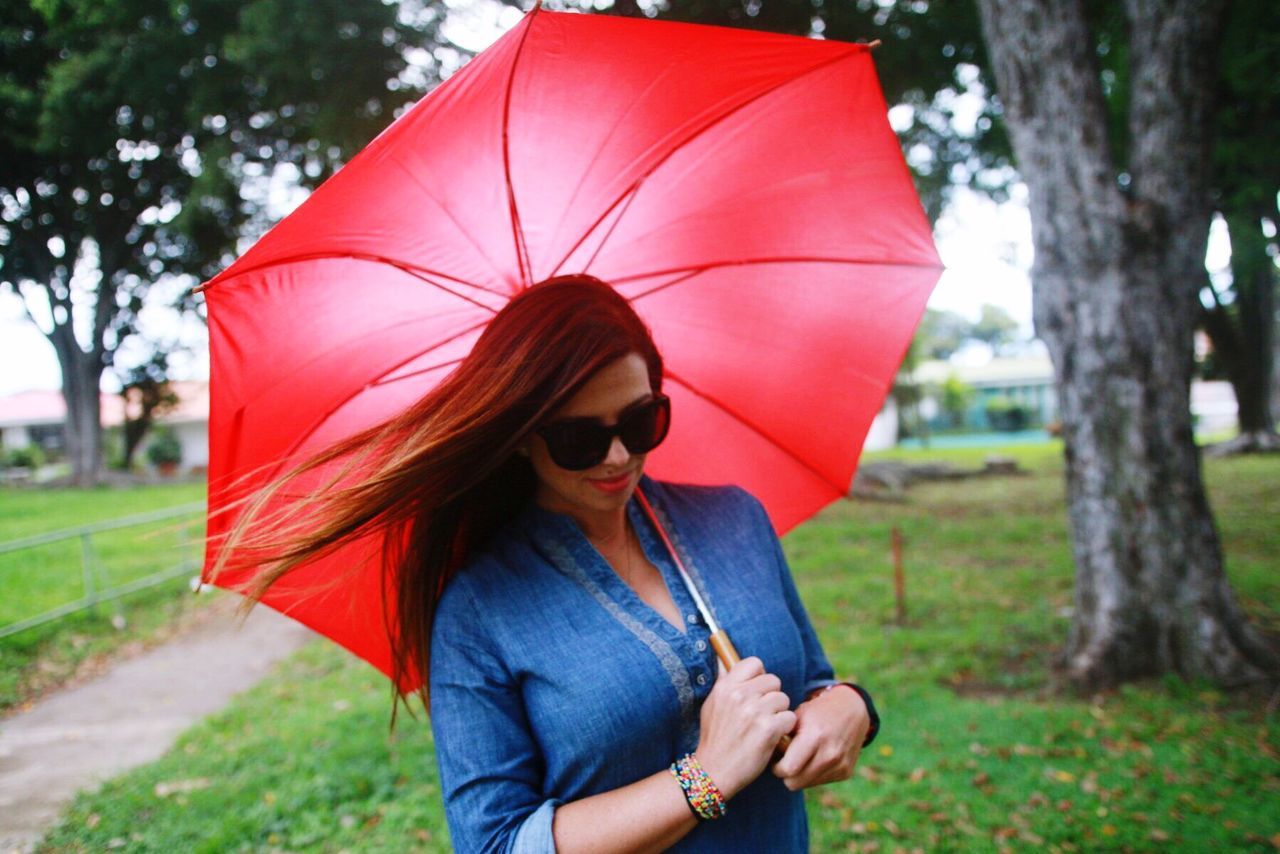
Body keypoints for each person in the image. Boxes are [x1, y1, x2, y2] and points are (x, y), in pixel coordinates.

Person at [210, 274, 879, 853]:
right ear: (521, 438)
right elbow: (494, 842)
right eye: (578, 438)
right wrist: (703, 778)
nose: (617, 457)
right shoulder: (479, 610)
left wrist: (851, 707)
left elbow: (816, 681)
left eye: (641, 421)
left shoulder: (736, 520)